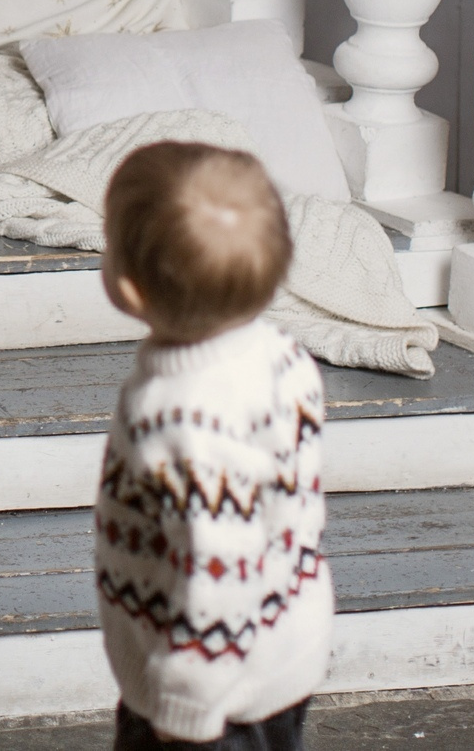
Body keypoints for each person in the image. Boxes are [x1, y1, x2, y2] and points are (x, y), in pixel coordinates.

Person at [95, 142, 330, 751]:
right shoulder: (282, 356)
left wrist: (185, 708)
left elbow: (215, 572)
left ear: (130, 289)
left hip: (210, 698)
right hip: (280, 648)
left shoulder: (182, 421)